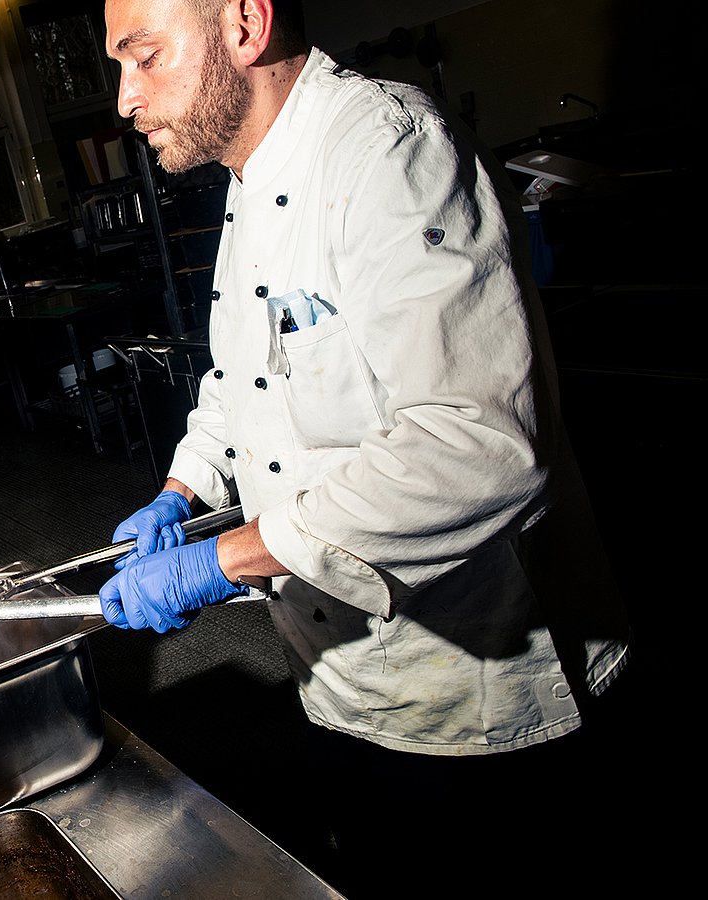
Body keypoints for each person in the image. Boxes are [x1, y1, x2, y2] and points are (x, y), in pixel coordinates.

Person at [98, 1, 635, 896]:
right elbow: (242, 375)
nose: (125, 98)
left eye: (144, 56)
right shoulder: (249, 175)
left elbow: (476, 446)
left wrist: (221, 563)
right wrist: (182, 489)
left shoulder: (390, 152)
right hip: (342, 683)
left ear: (244, 26)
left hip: (481, 703)